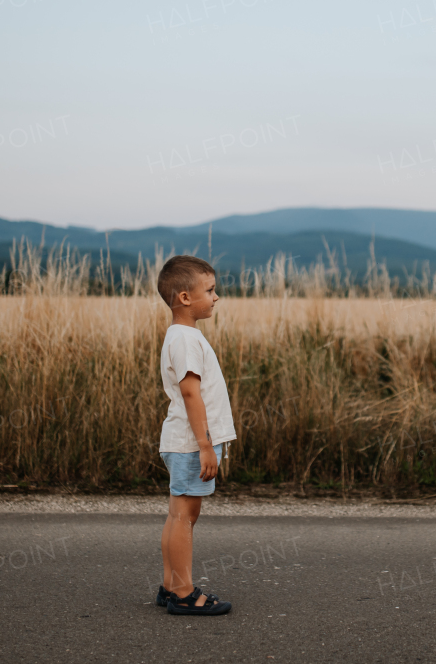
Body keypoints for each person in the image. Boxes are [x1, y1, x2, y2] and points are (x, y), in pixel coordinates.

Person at [154, 255, 236, 616]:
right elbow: (191, 394)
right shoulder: (186, 338)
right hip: (191, 443)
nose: (216, 297)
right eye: (210, 290)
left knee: (176, 515)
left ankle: (171, 586)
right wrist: (206, 446)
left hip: (182, 440)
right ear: (185, 298)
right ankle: (184, 593)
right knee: (186, 517)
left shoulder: (181, 335)